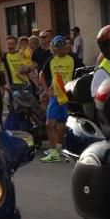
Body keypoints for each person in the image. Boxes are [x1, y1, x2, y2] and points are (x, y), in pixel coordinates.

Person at [39, 35, 76, 163]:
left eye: (62, 46)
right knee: (50, 124)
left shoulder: (72, 58)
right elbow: (41, 74)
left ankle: (57, 149)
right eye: (57, 47)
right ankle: (54, 150)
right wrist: (46, 90)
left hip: (67, 96)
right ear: (53, 48)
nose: (60, 49)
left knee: (61, 124)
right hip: (55, 96)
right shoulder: (51, 60)